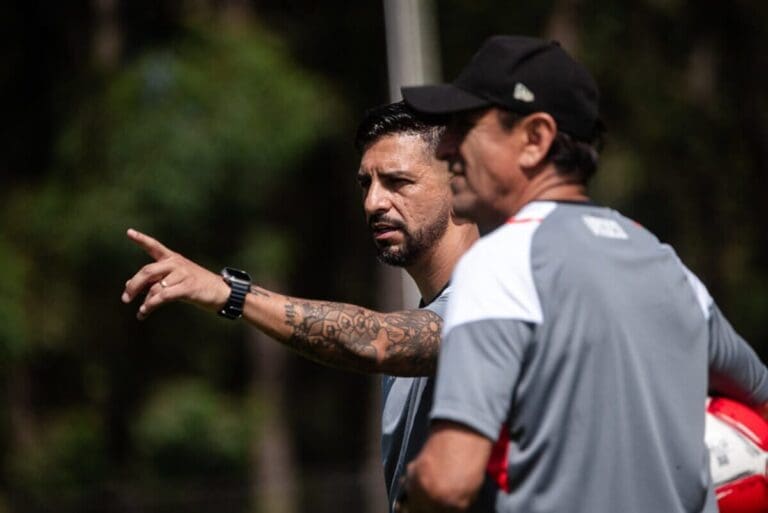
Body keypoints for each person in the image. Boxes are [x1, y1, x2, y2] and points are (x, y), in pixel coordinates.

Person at [398, 35, 768, 513]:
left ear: (535, 138)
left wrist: (415, 487)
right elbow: (760, 395)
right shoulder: (665, 263)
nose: (445, 147)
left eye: (465, 126)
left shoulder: (501, 264)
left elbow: (450, 480)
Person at [120, 101, 480, 512]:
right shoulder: (428, 316)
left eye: (397, 182)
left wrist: (231, 294)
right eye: (366, 184)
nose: (373, 203)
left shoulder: (496, 303)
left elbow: (375, 341)